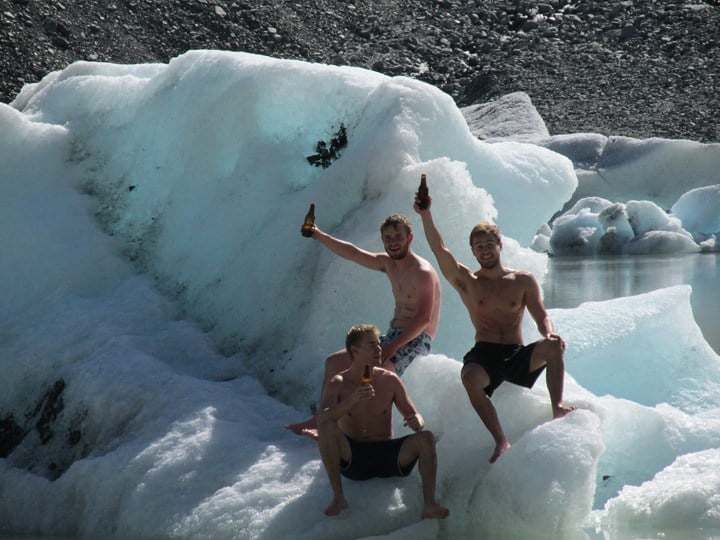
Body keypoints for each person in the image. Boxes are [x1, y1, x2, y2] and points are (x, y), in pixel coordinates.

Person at [414, 196, 575, 464]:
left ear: (500, 245)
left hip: (515, 353)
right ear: (473, 252)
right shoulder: (469, 282)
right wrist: (426, 215)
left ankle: (556, 407)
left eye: (490, 244)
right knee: (469, 377)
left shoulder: (522, 281)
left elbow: (541, 315)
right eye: (479, 247)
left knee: (554, 346)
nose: (485, 250)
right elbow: (440, 250)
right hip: (484, 353)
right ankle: (501, 440)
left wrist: (549, 333)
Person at [285, 214, 441, 439]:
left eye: (398, 236)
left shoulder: (422, 272)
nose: (393, 242)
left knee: (381, 371)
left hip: (417, 338)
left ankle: (374, 437)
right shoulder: (388, 264)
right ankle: (322, 421)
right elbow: (353, 253)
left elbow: (424, 319)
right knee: (334, 362)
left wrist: (393, 347)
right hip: (394, 334)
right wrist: (319, 235)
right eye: (388, 238)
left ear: (410, 238)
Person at [317, 323, 449, 519]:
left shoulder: (390, 379)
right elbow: (323, 417)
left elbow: (416, 417)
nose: (379, 349)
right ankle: (338, 498)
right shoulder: (339, 383)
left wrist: (416, 420)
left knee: (426, 437)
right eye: (372, 345)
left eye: (379, 344)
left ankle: (429, 504)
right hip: (355, 459)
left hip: (388, 456)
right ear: (355, 350)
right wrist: (352, 400)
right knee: (327, 427)